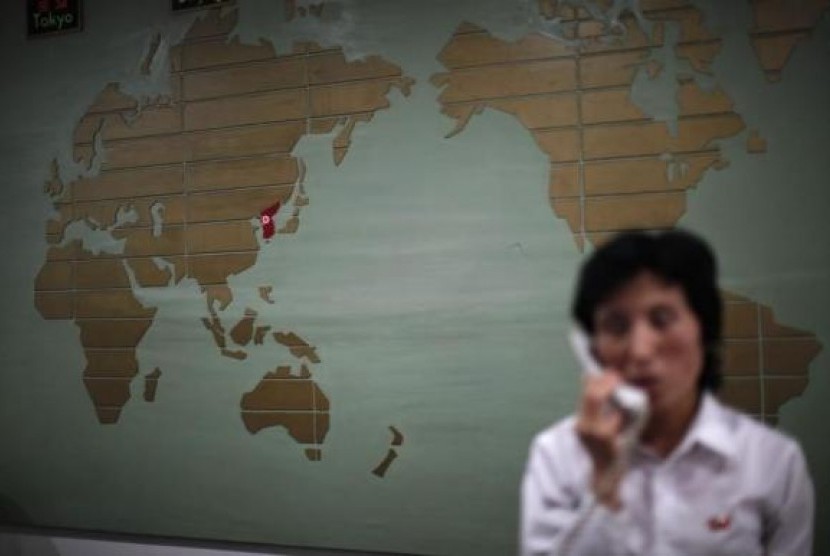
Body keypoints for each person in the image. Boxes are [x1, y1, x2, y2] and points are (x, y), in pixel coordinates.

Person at [520, 229, 814, 556]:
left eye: (662, 320)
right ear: (591, 350)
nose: (641, 351)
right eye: (616, 326)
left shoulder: (773, 462)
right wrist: (604, 483)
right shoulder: (555, 457)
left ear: (704, 329)